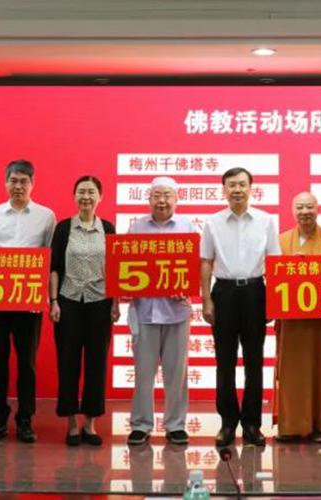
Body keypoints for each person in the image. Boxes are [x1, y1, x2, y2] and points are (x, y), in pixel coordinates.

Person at [0, 159, 56, 444]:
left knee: (27, 364)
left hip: (28, 301)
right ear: (5, 182)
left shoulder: (46, 216)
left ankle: (25, 420)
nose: (18, 186)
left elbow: (49, 259)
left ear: (32, 184)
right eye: (14, 180)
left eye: (24, 181)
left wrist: (46, 297)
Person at [200, 167, 281, 447]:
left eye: (242, 184)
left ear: (251, 188)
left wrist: (275, 301)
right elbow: (206, 261)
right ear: (224, 190)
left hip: (256, 292)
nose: (237, 189)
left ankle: (251, 424)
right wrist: (206, 299)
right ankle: (227, 423)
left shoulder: (265, 220)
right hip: (223, 293)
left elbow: (274, 262)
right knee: (224, 362)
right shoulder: (212, 222)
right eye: (231, 185)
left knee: (254, 362)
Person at [49, 175, 119, 446]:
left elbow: (115, 269)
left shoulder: (109, 228)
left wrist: (115, 302)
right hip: (68, 301)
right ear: (74, 196)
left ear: (100, 197)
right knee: (67, 362)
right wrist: (53, 301)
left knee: (96, 363)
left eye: (91, 192)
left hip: (100, 303)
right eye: (81, 192)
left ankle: (90, 423)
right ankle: (71, 423)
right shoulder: (64, 228)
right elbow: (54, 266)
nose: (86, 197)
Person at [125, 177, 194, 447]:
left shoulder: (187, 227)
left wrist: (187, 289)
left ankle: (175, 425)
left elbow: (193, 266)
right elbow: (126, 265)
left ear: (176, 198)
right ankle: (141, 425)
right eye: (157, 195)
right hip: (144, 310)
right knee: (143, 372)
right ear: (149, 198)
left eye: (167, 195)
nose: (162, 201)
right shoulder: (137, 227)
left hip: (176, 311)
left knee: (177, 373)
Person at [274, 192, 321, 443]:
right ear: (293, 211)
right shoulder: (280, 241)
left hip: (320, 320)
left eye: (309, 206)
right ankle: (290, 425)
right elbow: (270, 277)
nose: (305, 211)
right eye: (300, 207)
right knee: (290, 371)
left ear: (318, 209)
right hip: (291, 321)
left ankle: (320, 425)